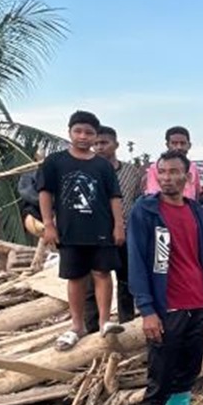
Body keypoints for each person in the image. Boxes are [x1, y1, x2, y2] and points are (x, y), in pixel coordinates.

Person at [128, 150, 203, 405]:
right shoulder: (147, 211)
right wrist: (146, 309)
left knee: (188, 370)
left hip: (196, 304)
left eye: (174, 172)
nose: (168, 177)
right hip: (167, 308)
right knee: (161, 376)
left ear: (187, 176)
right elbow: (138, 261)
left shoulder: (196, 211)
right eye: (162, 172)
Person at [39, 110, 125, 350]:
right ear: (69, 132)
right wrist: (48, 225)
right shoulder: (55, 162)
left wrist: (118, 226)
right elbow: (45, 193)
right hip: (70, 230)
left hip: (101, 229)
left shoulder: (102, 166)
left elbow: (114, 197)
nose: (83, 136)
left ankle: (105, 320)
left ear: (95, 135)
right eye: (78, 131)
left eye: (89, 132)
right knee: (75, 278)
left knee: (102, 274)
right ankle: (77, 325)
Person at [80, 125, 145, 334]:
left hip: (125, 235)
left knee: (126, 281)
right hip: (95, 237)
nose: (99, 147)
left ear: (115, 144)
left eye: (104, 143)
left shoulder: (131, 172)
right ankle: (93, 328)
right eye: (96, 143)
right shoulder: (86, 171)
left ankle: (125, 325)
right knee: (93, 283)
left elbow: (137, 201)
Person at [144, 126, 200, 199]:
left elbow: (196, 194)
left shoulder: (193, 167)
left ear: (189, 145)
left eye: (182, 143)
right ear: (167, 145)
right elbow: (154, 196)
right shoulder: (156, 167)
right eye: (174, 143)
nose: (179, 147)